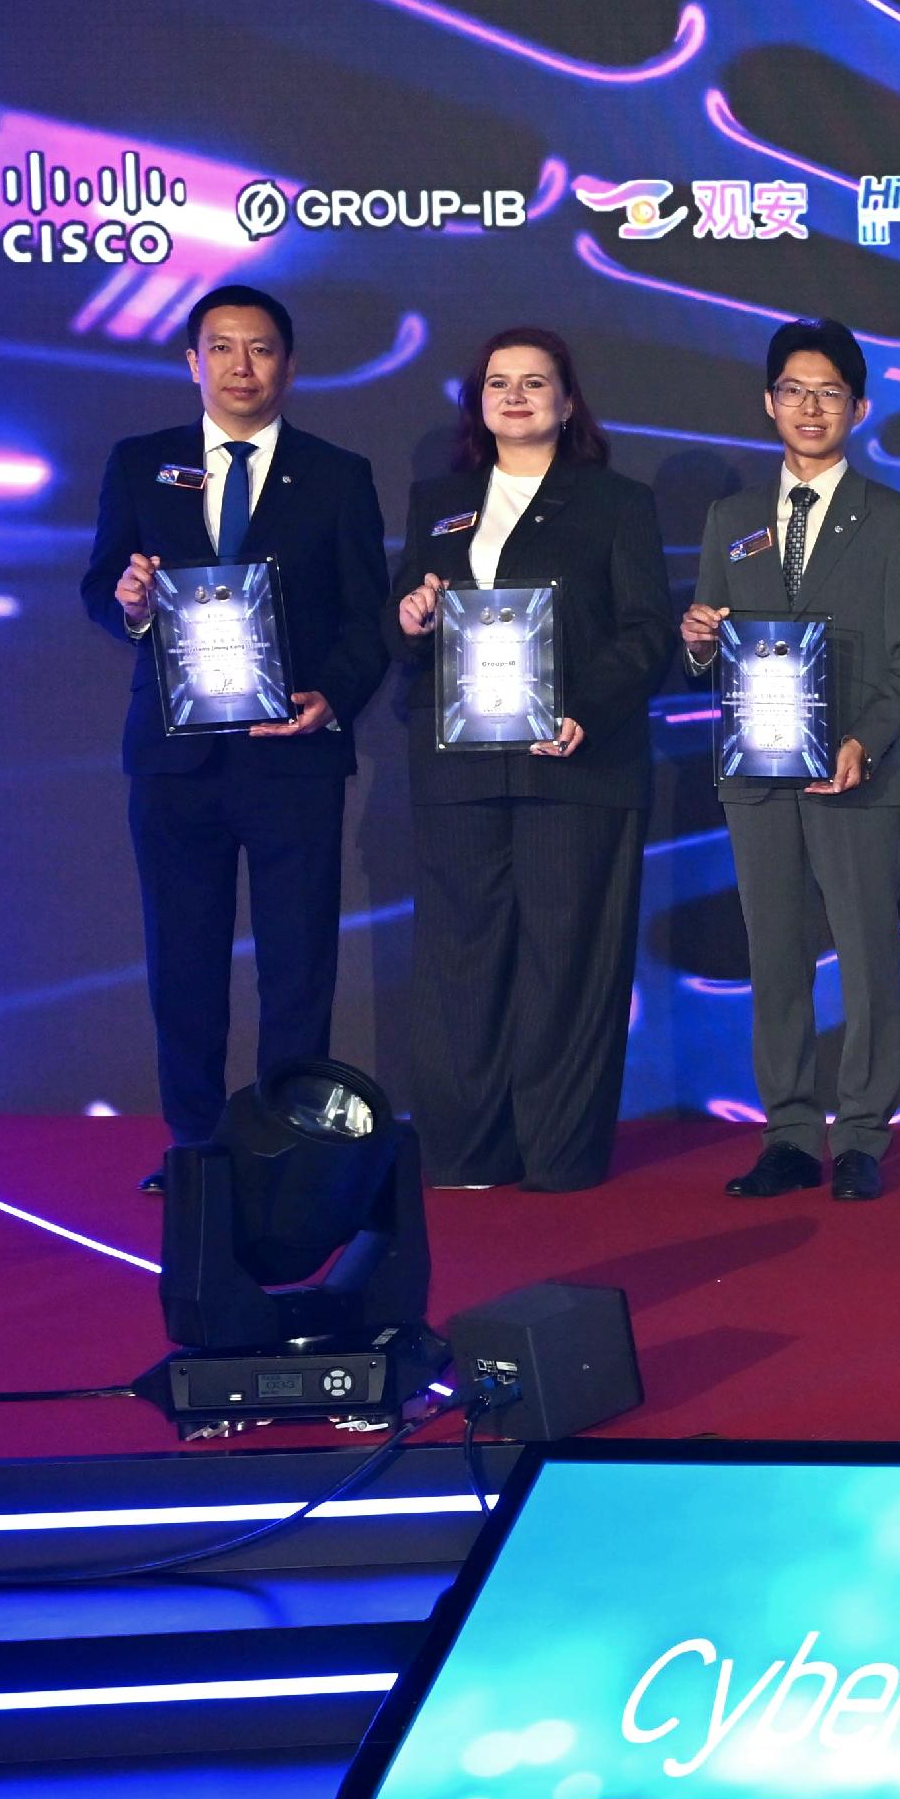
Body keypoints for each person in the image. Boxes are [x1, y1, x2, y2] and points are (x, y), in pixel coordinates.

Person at [79, 284, 391, 1189]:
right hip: (176, 757)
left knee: (298, 964)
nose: (240, 366)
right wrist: (131, 604)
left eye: (260, 349)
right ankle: (196, 1150)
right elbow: (101, 585)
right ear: (193, 363)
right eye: (221, 348)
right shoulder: (142, 463)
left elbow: (368, 616)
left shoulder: (337, 474)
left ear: (288, 365)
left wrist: (332, 696)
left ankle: (287, 1149)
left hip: (293, 751)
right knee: (183, 961)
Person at [387, 326, 669, 1192]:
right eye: (498, 382)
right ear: (477, 402)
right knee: (463, 959)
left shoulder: (616, 503)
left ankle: (558, 1152)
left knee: (566, 957)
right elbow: (402, 629)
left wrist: (586, 710)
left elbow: (646, 633)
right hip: (460, 769)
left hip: (573, 763)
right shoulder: (437, 501)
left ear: (567, 400)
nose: (515, 396)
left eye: (535, 382)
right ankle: (466, 1150)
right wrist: (411, 617)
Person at [679, 318, 900, 1202]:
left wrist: (864, 739)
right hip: (756, 775)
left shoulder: (897, 520)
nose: (810, 407)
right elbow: (712, 639)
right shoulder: (732, 519)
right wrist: (697, 639)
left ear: (859, 408)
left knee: (868, 959)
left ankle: (863, 1133)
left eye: (830, 392)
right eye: (794, 390)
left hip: (858, 772)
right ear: (769, 402)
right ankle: (789, 1132)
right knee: (775, 958)